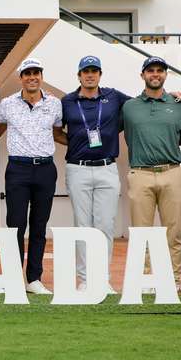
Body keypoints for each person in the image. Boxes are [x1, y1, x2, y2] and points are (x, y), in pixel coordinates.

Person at [0, 57, 66, 295]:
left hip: (45, 168)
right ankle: (13, 277)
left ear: (41, 76)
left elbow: (57, 132)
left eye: (36, 72)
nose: (32, 77)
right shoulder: (7, 103)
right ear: (21, 77)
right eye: (27, 73)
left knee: (39, 225)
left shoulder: (54, 104)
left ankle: (34, 279)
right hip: (18, 169)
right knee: (16, 224)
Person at [121, 56, 181, 292]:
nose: (155, 74)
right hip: (140, 174)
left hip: (171, 172)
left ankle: (173, 282)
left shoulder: (179, 104)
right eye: (150, 70)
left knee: (174, 231)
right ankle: (145, 281)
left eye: (160, 71)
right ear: (142, 75)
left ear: (165, 75)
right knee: (142, 232)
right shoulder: (129, 106)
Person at [60, 56, 130, 294]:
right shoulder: (67, 101)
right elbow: (53, 128)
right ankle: (84, 280)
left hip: (107, 168)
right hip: (77, 168)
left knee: (105, 225)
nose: (90, 75)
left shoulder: (113, 96)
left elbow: (142, 105)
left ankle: (102, 278)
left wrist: (175, 96)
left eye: (94, 71)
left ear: (100, 74)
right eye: (85, 71)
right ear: (79, 75)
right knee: (83, 224)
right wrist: (72, 142)